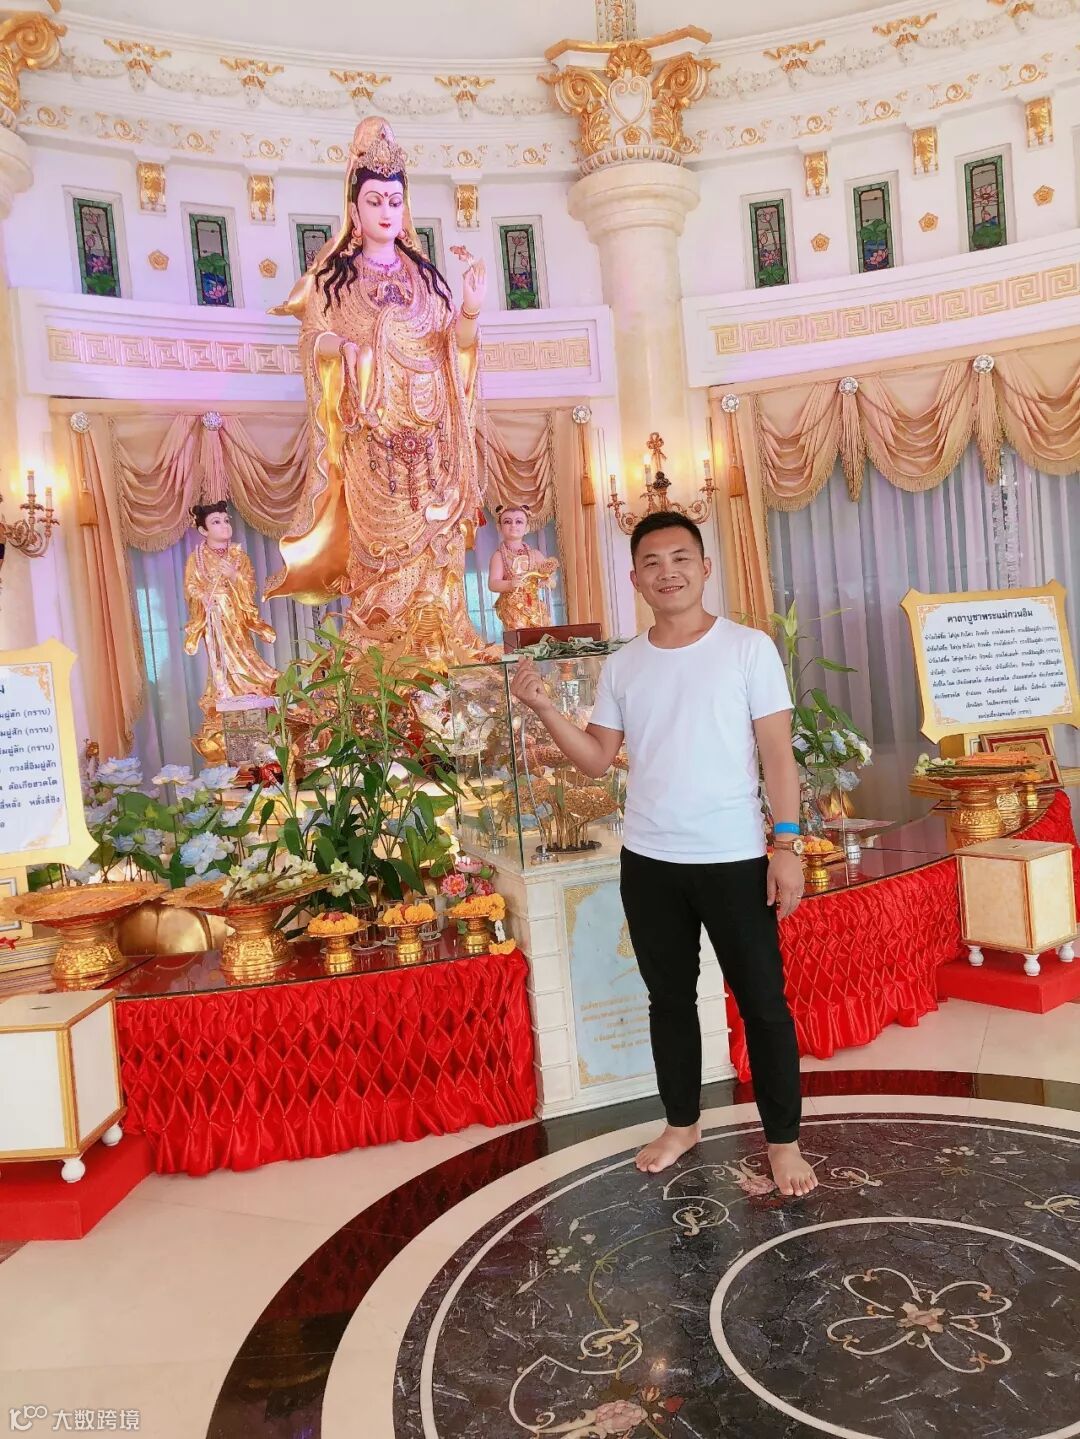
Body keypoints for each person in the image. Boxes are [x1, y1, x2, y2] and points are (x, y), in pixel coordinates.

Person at [509, 512, 816, 1197]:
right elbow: (597, 760)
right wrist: (545, 708)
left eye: (680, 558)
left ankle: (783, 1141)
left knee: (763, 1004)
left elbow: (777, 754)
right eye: (652, 562)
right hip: (649, 862)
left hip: (735, 858)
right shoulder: (625, 664)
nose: (667, 571)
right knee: (668, 1000)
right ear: (635, 578)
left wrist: (786, 845)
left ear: (705, 568)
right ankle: (682, 1123)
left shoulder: (748, 649)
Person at [266, 116, 491, 668]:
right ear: (355, 209)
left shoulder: (428, 281)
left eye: (394, 200)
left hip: (432, 442)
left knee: (436, 562)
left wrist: (469, 310)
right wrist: (341, 347)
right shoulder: (332, 283)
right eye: (374, 200)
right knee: (380, 562)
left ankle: (439, 659)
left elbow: (457, 353)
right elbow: (312, 341)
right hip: (373, 445)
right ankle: (380, 671)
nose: (386, 211)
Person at [183, 501, 279, 763]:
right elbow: (190, 586)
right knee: (220, 661)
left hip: (235, 618)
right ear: (203, 530)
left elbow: (250, 587)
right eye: (216, 522)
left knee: (244, 654)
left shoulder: (239, 556)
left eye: (226, 520)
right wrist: (202, 597)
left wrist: (235, 576)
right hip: (214, 620)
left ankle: (251, 686)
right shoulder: (196, 558)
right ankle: (226, 695)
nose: (224, 526)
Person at [487, 504, 560, 632]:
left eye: (519, 522)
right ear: (499, 527)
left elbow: (550, 576)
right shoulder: (499, 556)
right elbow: (493, 584)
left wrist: (547, 580)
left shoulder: (535, 554)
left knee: (543, 633)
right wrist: (510, 584)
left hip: (534, 605)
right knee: (519, 634)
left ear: (527, 528)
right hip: (512, 607)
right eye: (507, 522)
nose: (513, 525)